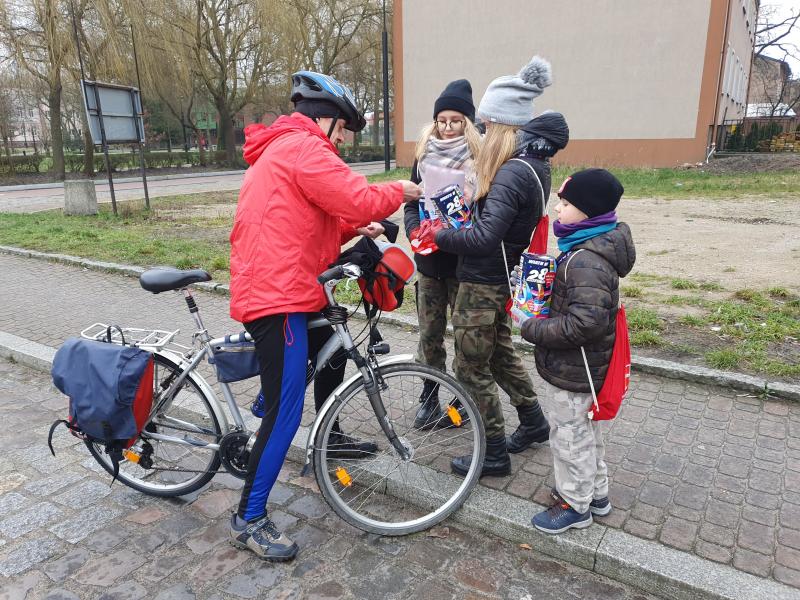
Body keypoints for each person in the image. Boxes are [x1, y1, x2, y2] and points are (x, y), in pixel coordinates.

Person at [227, 70, 421, 561]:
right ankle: (249, 518)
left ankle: (263, 419)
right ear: (330, 120)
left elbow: (308, 223)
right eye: (344, 131)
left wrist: (360, 227)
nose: (344, 142)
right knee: (286, 412)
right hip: (280, 295)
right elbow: (353, 195)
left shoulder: (285, 148)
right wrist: (399, 189)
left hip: (283, 286)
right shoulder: (304, 147)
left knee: (299, 372)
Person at [418, 55, 569, 477]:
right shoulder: (530, 167)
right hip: (499, 279)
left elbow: (484, 237)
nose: (480, 131)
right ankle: (534, 421)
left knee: (470, 366)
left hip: (482, 282)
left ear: (503, 126)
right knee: (500, 353)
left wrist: (439, 235)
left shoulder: (512, 173)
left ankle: (494, 451)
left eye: (485, 125)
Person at [519, 168, 635, 534]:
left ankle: (574, 506)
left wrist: (532, 326)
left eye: (565, 203)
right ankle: (596, 496)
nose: (556, 207)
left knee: (569, 438)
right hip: (581, 368)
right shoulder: (585, 250)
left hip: (576, 369)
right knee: (585, 434)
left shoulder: (586, 260)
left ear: (588, 212)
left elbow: (585, 323)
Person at [403, 79, 481, 429]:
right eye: (442, 120)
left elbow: (485, 211)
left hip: (463, 262)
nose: (447, 128)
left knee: (466, 337)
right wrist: (412, 229)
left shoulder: (479, 158)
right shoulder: (422, 156)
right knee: (429, 335)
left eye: (456, 121)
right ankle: (429, 395)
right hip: (430, 263)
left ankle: (462, 399)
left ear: (468, 122)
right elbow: (410, 203)